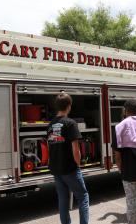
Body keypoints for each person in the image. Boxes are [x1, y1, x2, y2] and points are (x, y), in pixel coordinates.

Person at [47, 93, 89, 224]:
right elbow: (75, 149)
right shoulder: (71, 123)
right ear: (69, 106)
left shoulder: (51, 124)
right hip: (70, 169)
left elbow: (50, 146)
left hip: (56, 169)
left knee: (63, 200)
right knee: (83, 197)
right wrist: (78, 165)